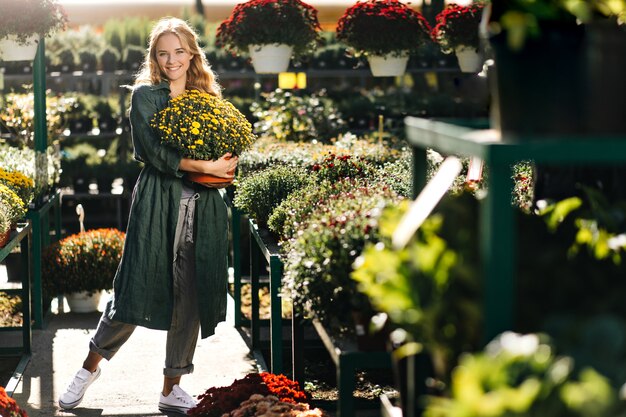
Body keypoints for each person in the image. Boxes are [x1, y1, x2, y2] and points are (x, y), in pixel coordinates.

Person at [58, 17, 238, 414]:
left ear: (192, 53)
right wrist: (206, 167)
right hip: (159, 203)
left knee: (189, 296)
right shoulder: (145, 96)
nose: (172, 60)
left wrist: (224, 167)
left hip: (202, 208)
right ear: (154, 58)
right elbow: (152, 154)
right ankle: (88, 369)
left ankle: (171, 387)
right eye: (163, 53)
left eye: (179, 51)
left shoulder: (207, 97)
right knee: (134, 291)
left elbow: (228, 149)